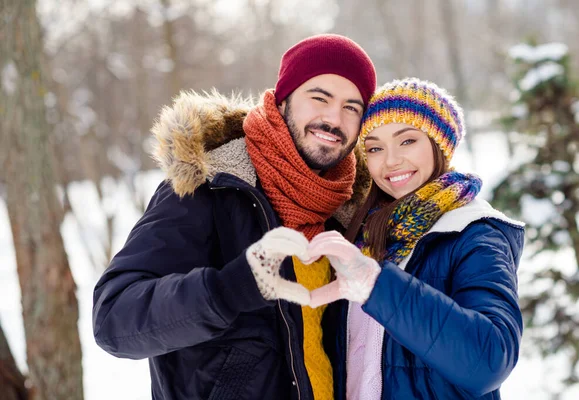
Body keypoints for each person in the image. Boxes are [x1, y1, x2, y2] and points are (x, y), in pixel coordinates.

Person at [92, 34, 376, 400]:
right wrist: (229, 290)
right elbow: (113, 320)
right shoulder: (209, 189)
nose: (334, 119)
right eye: (319, 98)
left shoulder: (350, 212)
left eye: (352, 107)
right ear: (283, 100)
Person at [306, 78, 525, 399]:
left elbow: (490, 360)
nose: (390, 160)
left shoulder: (475, 233)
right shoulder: (365, 236)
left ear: (440, 145)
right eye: (375, 148)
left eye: (407, 141)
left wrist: (377, 286)